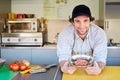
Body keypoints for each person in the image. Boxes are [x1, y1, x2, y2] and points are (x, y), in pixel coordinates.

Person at [57, 4, 107, 75]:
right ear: (73, 22)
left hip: (92, 72)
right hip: (72, 73)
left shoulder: (99, 34)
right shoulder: (65, 34)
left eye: (85, 20)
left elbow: (100, 58)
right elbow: (63, 56)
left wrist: (98, 68)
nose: (82, 26)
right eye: (77, 21)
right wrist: (64, 67)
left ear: (90, 21)